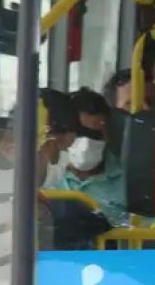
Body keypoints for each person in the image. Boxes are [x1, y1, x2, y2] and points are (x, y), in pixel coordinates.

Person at [53, 88, 130, 229]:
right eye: (80, 132)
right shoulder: (48, 175)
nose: (86, 142)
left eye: (95, 135)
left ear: (108, 133)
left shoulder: (129, 179)